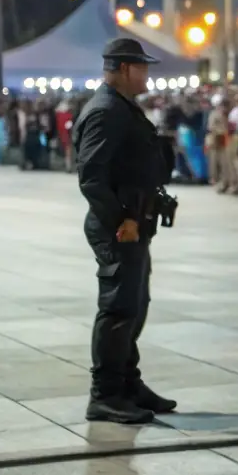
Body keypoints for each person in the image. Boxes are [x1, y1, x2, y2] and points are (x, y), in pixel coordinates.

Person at [73, 38, 180, 425]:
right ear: (122, 69)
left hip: (134, 223)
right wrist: (122, 220)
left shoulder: (121, 106)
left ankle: (127, 384)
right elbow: (92, 176)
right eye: (141, 68)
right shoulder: (105, 111)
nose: (146, 75)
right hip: (118, 228)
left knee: (134, 305)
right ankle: (104, 395)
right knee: (118, 309)